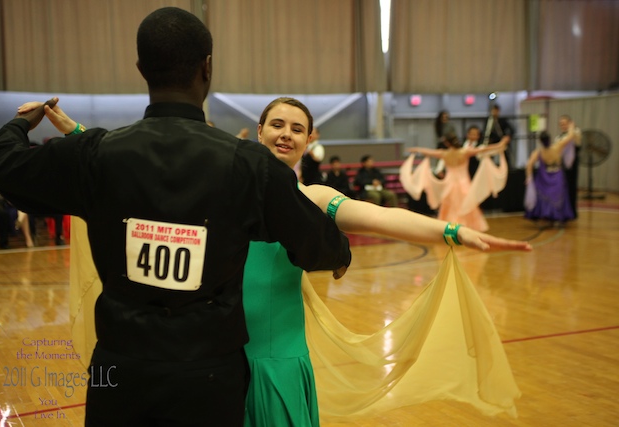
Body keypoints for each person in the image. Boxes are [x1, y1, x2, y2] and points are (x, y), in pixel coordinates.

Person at [43, 97, 531, 426]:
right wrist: (77, 131)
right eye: (276, 124)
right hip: (217, 362)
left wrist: (452, 229)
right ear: (258, 131)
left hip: (277, 365)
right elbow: (147, 160)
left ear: (308, 140)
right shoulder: (224, 188)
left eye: (297, 129)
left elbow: (381, 216)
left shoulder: (313, 196)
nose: (285, 134)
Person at [0, 7, 351, 427]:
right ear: (207, 68)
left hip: (118, 369)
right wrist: (339, 253)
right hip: (211, 376)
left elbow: (5, 168)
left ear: (141, 68)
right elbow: (314, 242)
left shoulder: (99, 155)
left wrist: (21, 123)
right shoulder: (248, 165)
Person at [400, 132, 510, 232]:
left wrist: (417, 149)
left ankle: (452, 228)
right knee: (465, 205)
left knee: (451, 207)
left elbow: (429, 152)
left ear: (447, 143)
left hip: (450, 184)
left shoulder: (444, 154)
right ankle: (466, 228)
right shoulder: (464, 152)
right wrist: (501, 143)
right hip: (464, 183)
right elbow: (484, 149)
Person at [524, 130, 575, 226]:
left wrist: (529, 178)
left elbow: (529, 165)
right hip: (557, 177)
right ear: (549, 139)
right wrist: (571, 126)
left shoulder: (539, 152)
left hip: (545, 178)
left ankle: (547, 217)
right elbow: (570, 136)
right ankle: (556, 217)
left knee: (546, 197)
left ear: (540, 141)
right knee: (557, 197)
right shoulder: (557, 147)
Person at [556, 115, 582, 218]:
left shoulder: (576, 133)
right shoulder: (558, 137)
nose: (563, 125)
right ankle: (562, 210)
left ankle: (571, 212)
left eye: (565, 123)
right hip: (561, 166)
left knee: (571, 188)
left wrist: (572, 127)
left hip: (572, 167)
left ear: (570, 123)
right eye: (561, 124)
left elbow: (571, 138)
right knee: (561, 188)